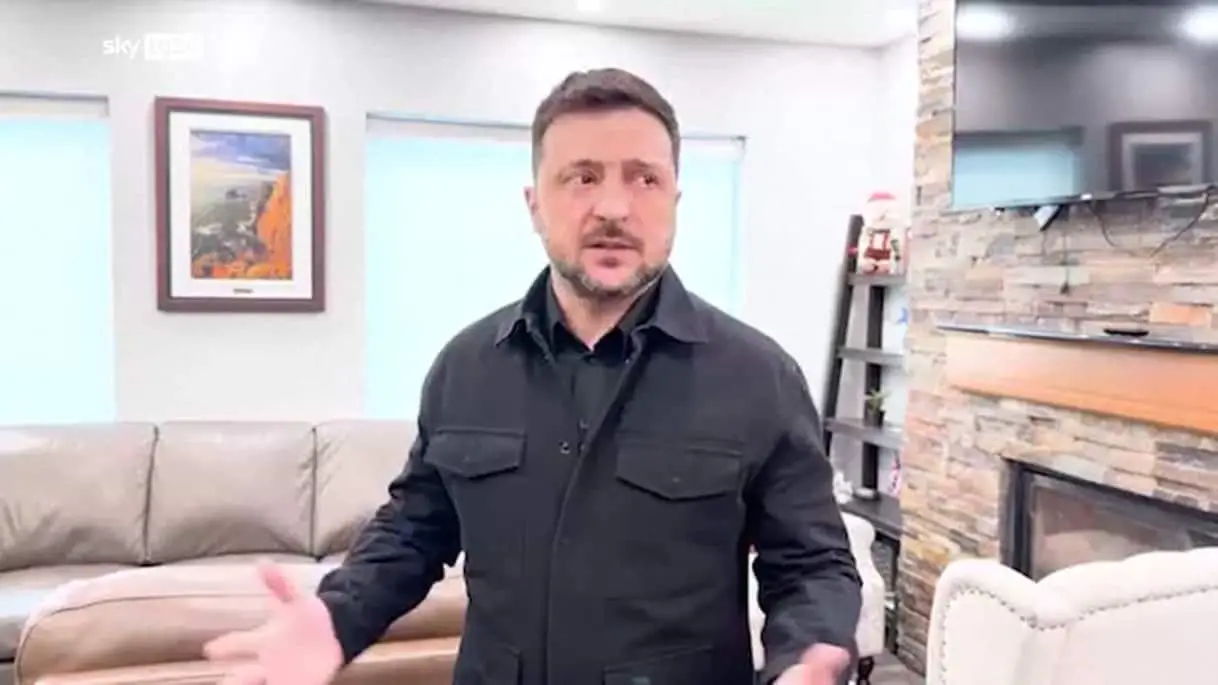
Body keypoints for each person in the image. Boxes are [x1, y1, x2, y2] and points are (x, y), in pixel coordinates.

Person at [204, 67, 862, 685]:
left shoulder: (758, 377)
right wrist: (336, 614)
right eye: (582, 177)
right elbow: (415, 528)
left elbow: (812, 565)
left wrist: (806, 659)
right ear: (534, 204)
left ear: (675, 201)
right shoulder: (466, 366)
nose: (613, 207)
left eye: (644, 179)